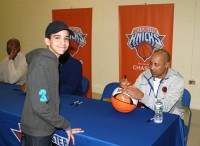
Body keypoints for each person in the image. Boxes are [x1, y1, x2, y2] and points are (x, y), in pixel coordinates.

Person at [20, 20, 84, 146]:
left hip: (44, 126)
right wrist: (65, 125)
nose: (63, 42)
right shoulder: (42, 64)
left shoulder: (51, 61)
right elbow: (41, 106)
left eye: (66, 38)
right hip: (37, 131)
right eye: (57, 37)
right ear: (47, 41)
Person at [121, 49, 185, 119]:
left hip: (170, 118)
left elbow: (165, 107)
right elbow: (134, 94)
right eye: (151, 63)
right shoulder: (145, 75)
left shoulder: (177, 80)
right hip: (146, 114)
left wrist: (142, 97)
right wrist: (127, 88)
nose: (151, 67)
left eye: (156, 65)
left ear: (167, 65)